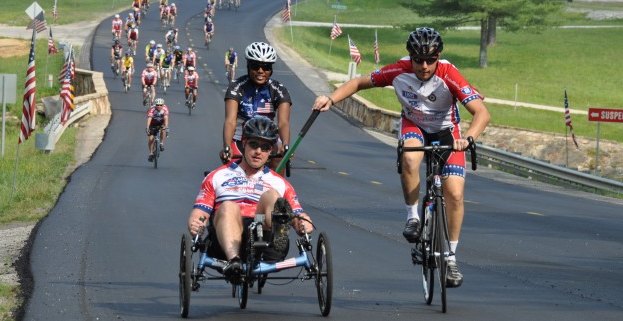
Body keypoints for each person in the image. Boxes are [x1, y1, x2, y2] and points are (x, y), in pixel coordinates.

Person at [312, 27, 490, 288]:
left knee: (454, 193)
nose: (424, 66)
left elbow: (481, 113)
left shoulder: (448, 73)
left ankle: (451, 257)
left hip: (446, 131)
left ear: (438, 57)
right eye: (418, 59)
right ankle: (412, 217)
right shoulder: (399, 70)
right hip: (414, 125)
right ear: (410, 57)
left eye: (430, 60)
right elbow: (358, 82)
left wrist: (468, 139)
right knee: (409, 157)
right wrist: (330, 98)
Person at [188, 116, 313, 283]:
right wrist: (196, 223)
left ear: (271, 151)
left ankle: (279, 232)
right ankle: (234, 262)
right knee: (228, 206)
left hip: (262, 231)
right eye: (254, 145)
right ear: (244, 143)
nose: (258, 152)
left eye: (265, 147)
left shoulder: (280, 183)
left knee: (272, 196)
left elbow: (300, 215)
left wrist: (303, 224)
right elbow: (199, 212)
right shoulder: (217, 176)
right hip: (226, 235)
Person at [221, 42, 291, 172]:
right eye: (255, 66)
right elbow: (230, 121)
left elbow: (283, 123)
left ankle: (278, 191)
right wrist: (226, 146)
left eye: (265, 67)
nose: (260, 71)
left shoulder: (279, 89)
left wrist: (286, 145)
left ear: (271, 69)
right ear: (248, 67)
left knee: (279, 160)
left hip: (268, 140)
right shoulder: (237, 87)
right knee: (230, 174)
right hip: (241, 139)